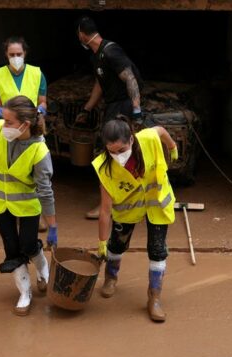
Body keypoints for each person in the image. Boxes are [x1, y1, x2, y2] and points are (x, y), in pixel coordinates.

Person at [0, 95, 58, 316]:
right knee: (11, 247)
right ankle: (25, 292)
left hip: (26, 205)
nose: (3, 125)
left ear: (25, 125)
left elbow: (45, 191)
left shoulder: (39, 152)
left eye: (8, 122)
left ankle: (42, 265)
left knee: (27, 244)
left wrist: (52, 225)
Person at [92, 115, 178, 322]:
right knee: (116, 245)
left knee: (157, 250)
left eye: (121, 150)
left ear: (131, 139)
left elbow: (161, 130)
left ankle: (154, 297)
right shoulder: (104, 166)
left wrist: (172, 147)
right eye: (111, 152)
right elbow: (105, 210)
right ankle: (111, 278)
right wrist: (102, 242)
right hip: (128, 209)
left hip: (156, 202)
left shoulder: (147, 138)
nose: (117, 156)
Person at [75, 16, 143, 219]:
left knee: (110, 154)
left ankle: (109, 203)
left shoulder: (111, 50)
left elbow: (129, 77)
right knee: (110, 154)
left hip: (123, 107)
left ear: (81, 34)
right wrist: (87, 108)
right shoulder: (96, 56)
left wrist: (136, 109)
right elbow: (100, 84)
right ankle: (116, 200)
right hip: (112, 106)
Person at [0, 36, 48, 231]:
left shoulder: (37, 74)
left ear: (25, 54)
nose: (16, 57)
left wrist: (40, 111)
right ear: (6, 55)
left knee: (36, 174)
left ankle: (35, 214)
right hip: (6, 130)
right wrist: (3, 114)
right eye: (12, 54)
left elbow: (42, 101)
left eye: (19, 54)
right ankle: (11, 211)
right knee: (9, 171)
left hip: (30, 129)